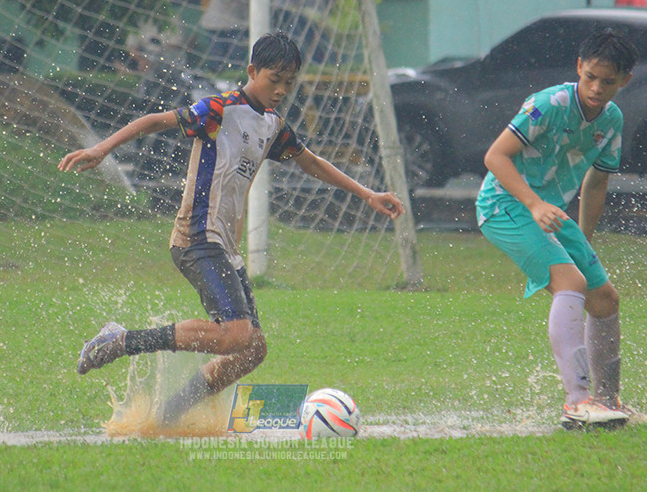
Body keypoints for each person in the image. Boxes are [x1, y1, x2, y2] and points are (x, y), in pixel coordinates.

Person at [58, 31, 404, 426]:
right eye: (274, 79)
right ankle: (120, 341)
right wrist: (102, 149)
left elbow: (309, 162)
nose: (280, 90)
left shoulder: (273, 125)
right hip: (197, 237)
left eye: (289, 83)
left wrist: (367, 193)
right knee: (236, 335)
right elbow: (157, 120)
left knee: (251, 350)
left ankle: (170, 415)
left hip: (225, 247)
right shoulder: (220, 109)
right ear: (252, 71)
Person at [475, 29, 638, 429]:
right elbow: (495, 156)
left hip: (551, 214)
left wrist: (583, 239)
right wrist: (533, 203)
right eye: (591, 78)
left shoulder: (612, 120)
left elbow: (596, 183)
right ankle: (577, 403)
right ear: (579, 68)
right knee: (571, 282)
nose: (597, 89)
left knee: (604, 298)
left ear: (625, 81)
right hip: (504, 205)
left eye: (608, 81)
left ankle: (607, 399)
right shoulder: (549, 104)